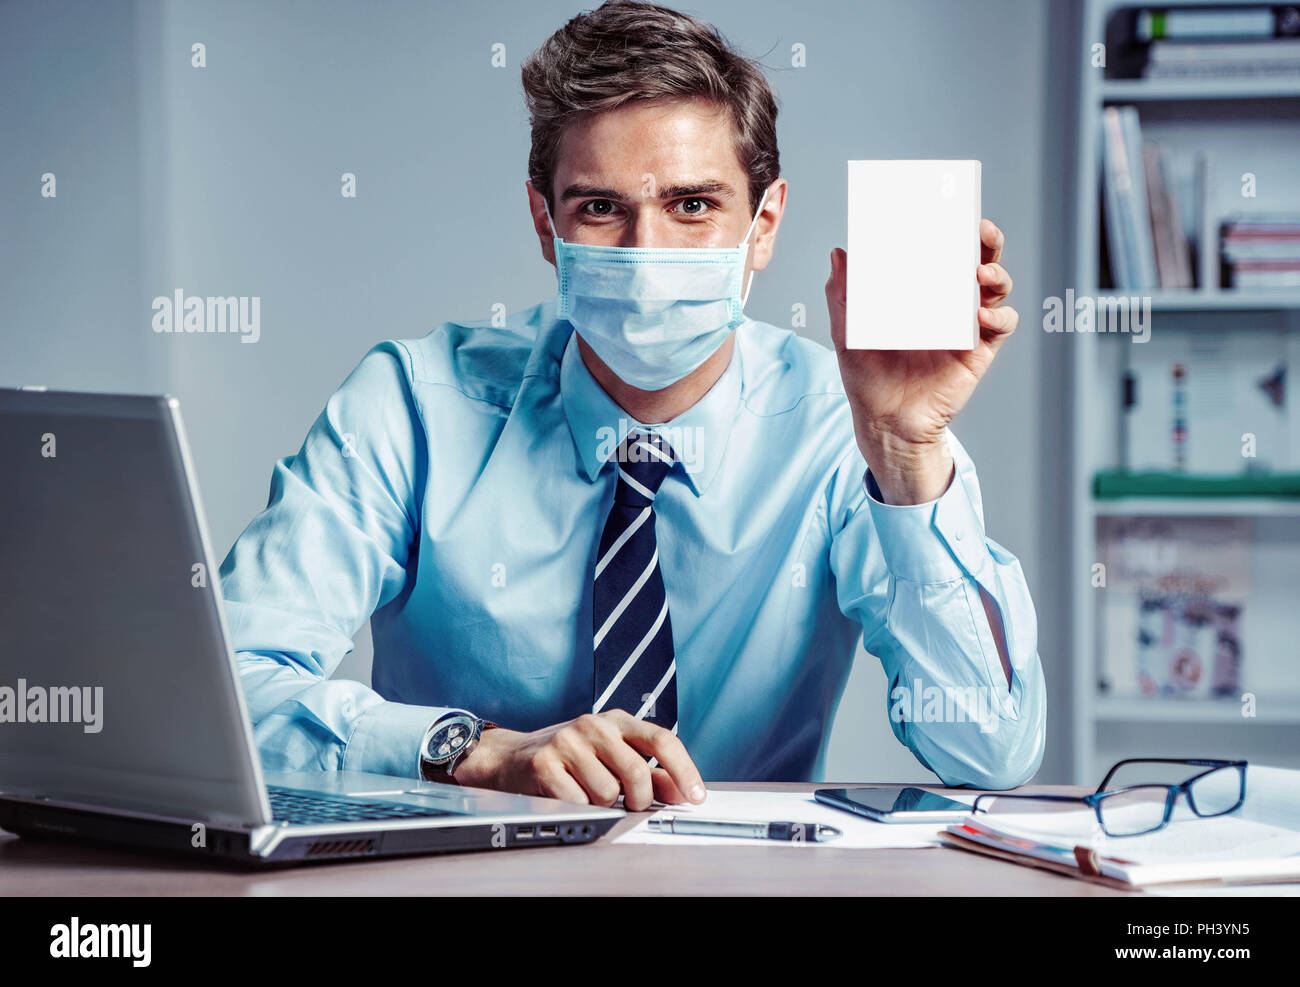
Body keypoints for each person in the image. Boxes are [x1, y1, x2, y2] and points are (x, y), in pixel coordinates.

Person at [219, 0, 1045, 812]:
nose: (647, 255)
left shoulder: (842, 428)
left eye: (692, 205)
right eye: (602, 207)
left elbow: (990, 751)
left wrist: (905, 454)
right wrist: (480, 749)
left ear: (764, 224)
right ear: (547, 224)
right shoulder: (413, 406)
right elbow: (227, 689)